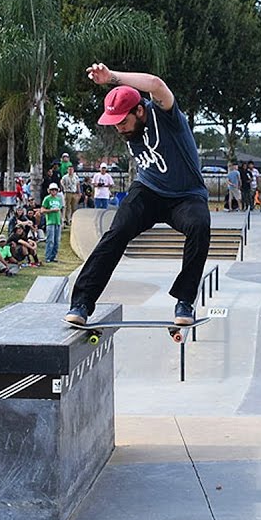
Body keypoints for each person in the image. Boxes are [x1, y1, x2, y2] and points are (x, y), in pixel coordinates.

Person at [65, 63, 210, 327]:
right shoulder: (127, 126)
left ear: (140, 110)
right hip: (148, 191)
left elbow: (155, 84)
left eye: (123, 121)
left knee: (200, 226)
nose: (119, 128)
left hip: (186, 196)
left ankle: (184, 302)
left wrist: (112, 78)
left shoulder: (165, 115)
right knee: (116, 232)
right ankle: (82, 302)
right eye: (115, 123)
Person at [40, 183, 64, 263]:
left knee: (57, 240)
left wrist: (61, 220)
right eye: (52, 190)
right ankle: (48, 256)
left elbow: (60, 210)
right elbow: (42, 210)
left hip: (57, 221)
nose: (54, 191)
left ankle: (53, 256)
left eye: (55, 190)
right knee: (50, 240)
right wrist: (51, 211)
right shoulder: (47, 199)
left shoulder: (58, 199)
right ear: (49, 191)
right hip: (50, 222)